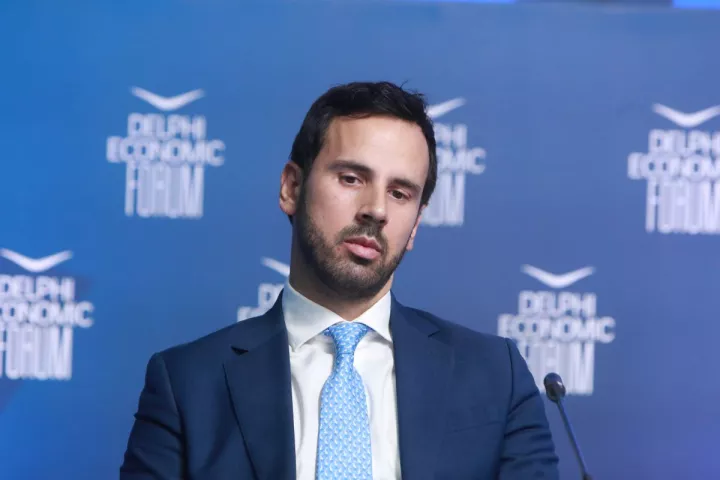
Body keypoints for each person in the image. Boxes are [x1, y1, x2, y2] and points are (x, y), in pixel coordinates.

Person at [120, 81, 559, 479]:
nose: (376, 210)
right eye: (351, 178)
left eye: (400, 193)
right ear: (292, 188)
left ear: (416, 224)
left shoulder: (495, 377)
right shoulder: (187, 384)